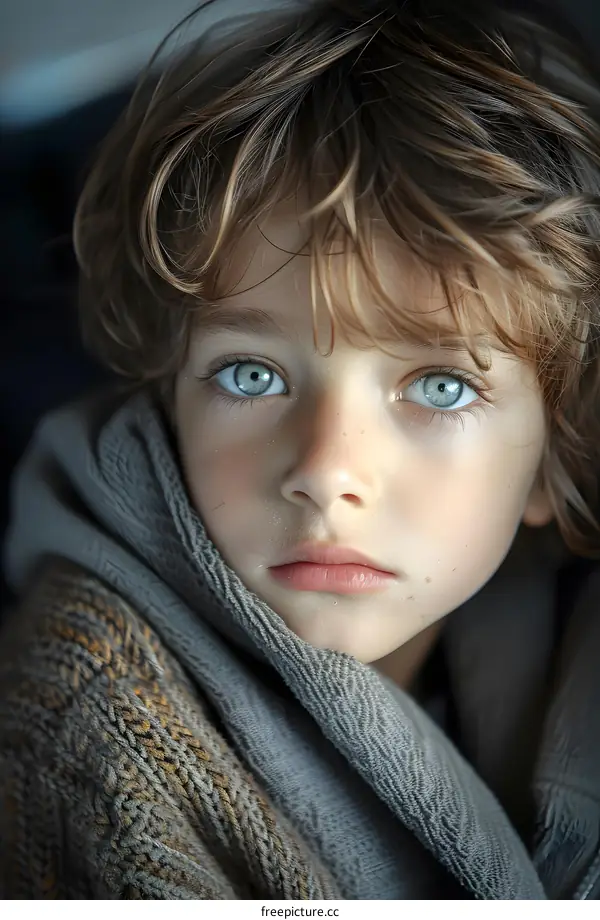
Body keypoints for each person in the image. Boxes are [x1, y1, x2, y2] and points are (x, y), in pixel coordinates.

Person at [1, 0, 600, 900]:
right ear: (170, 391)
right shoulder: (86, 733)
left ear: (556, 451)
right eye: (249, 375)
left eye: (440, 387)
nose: (325, 472)